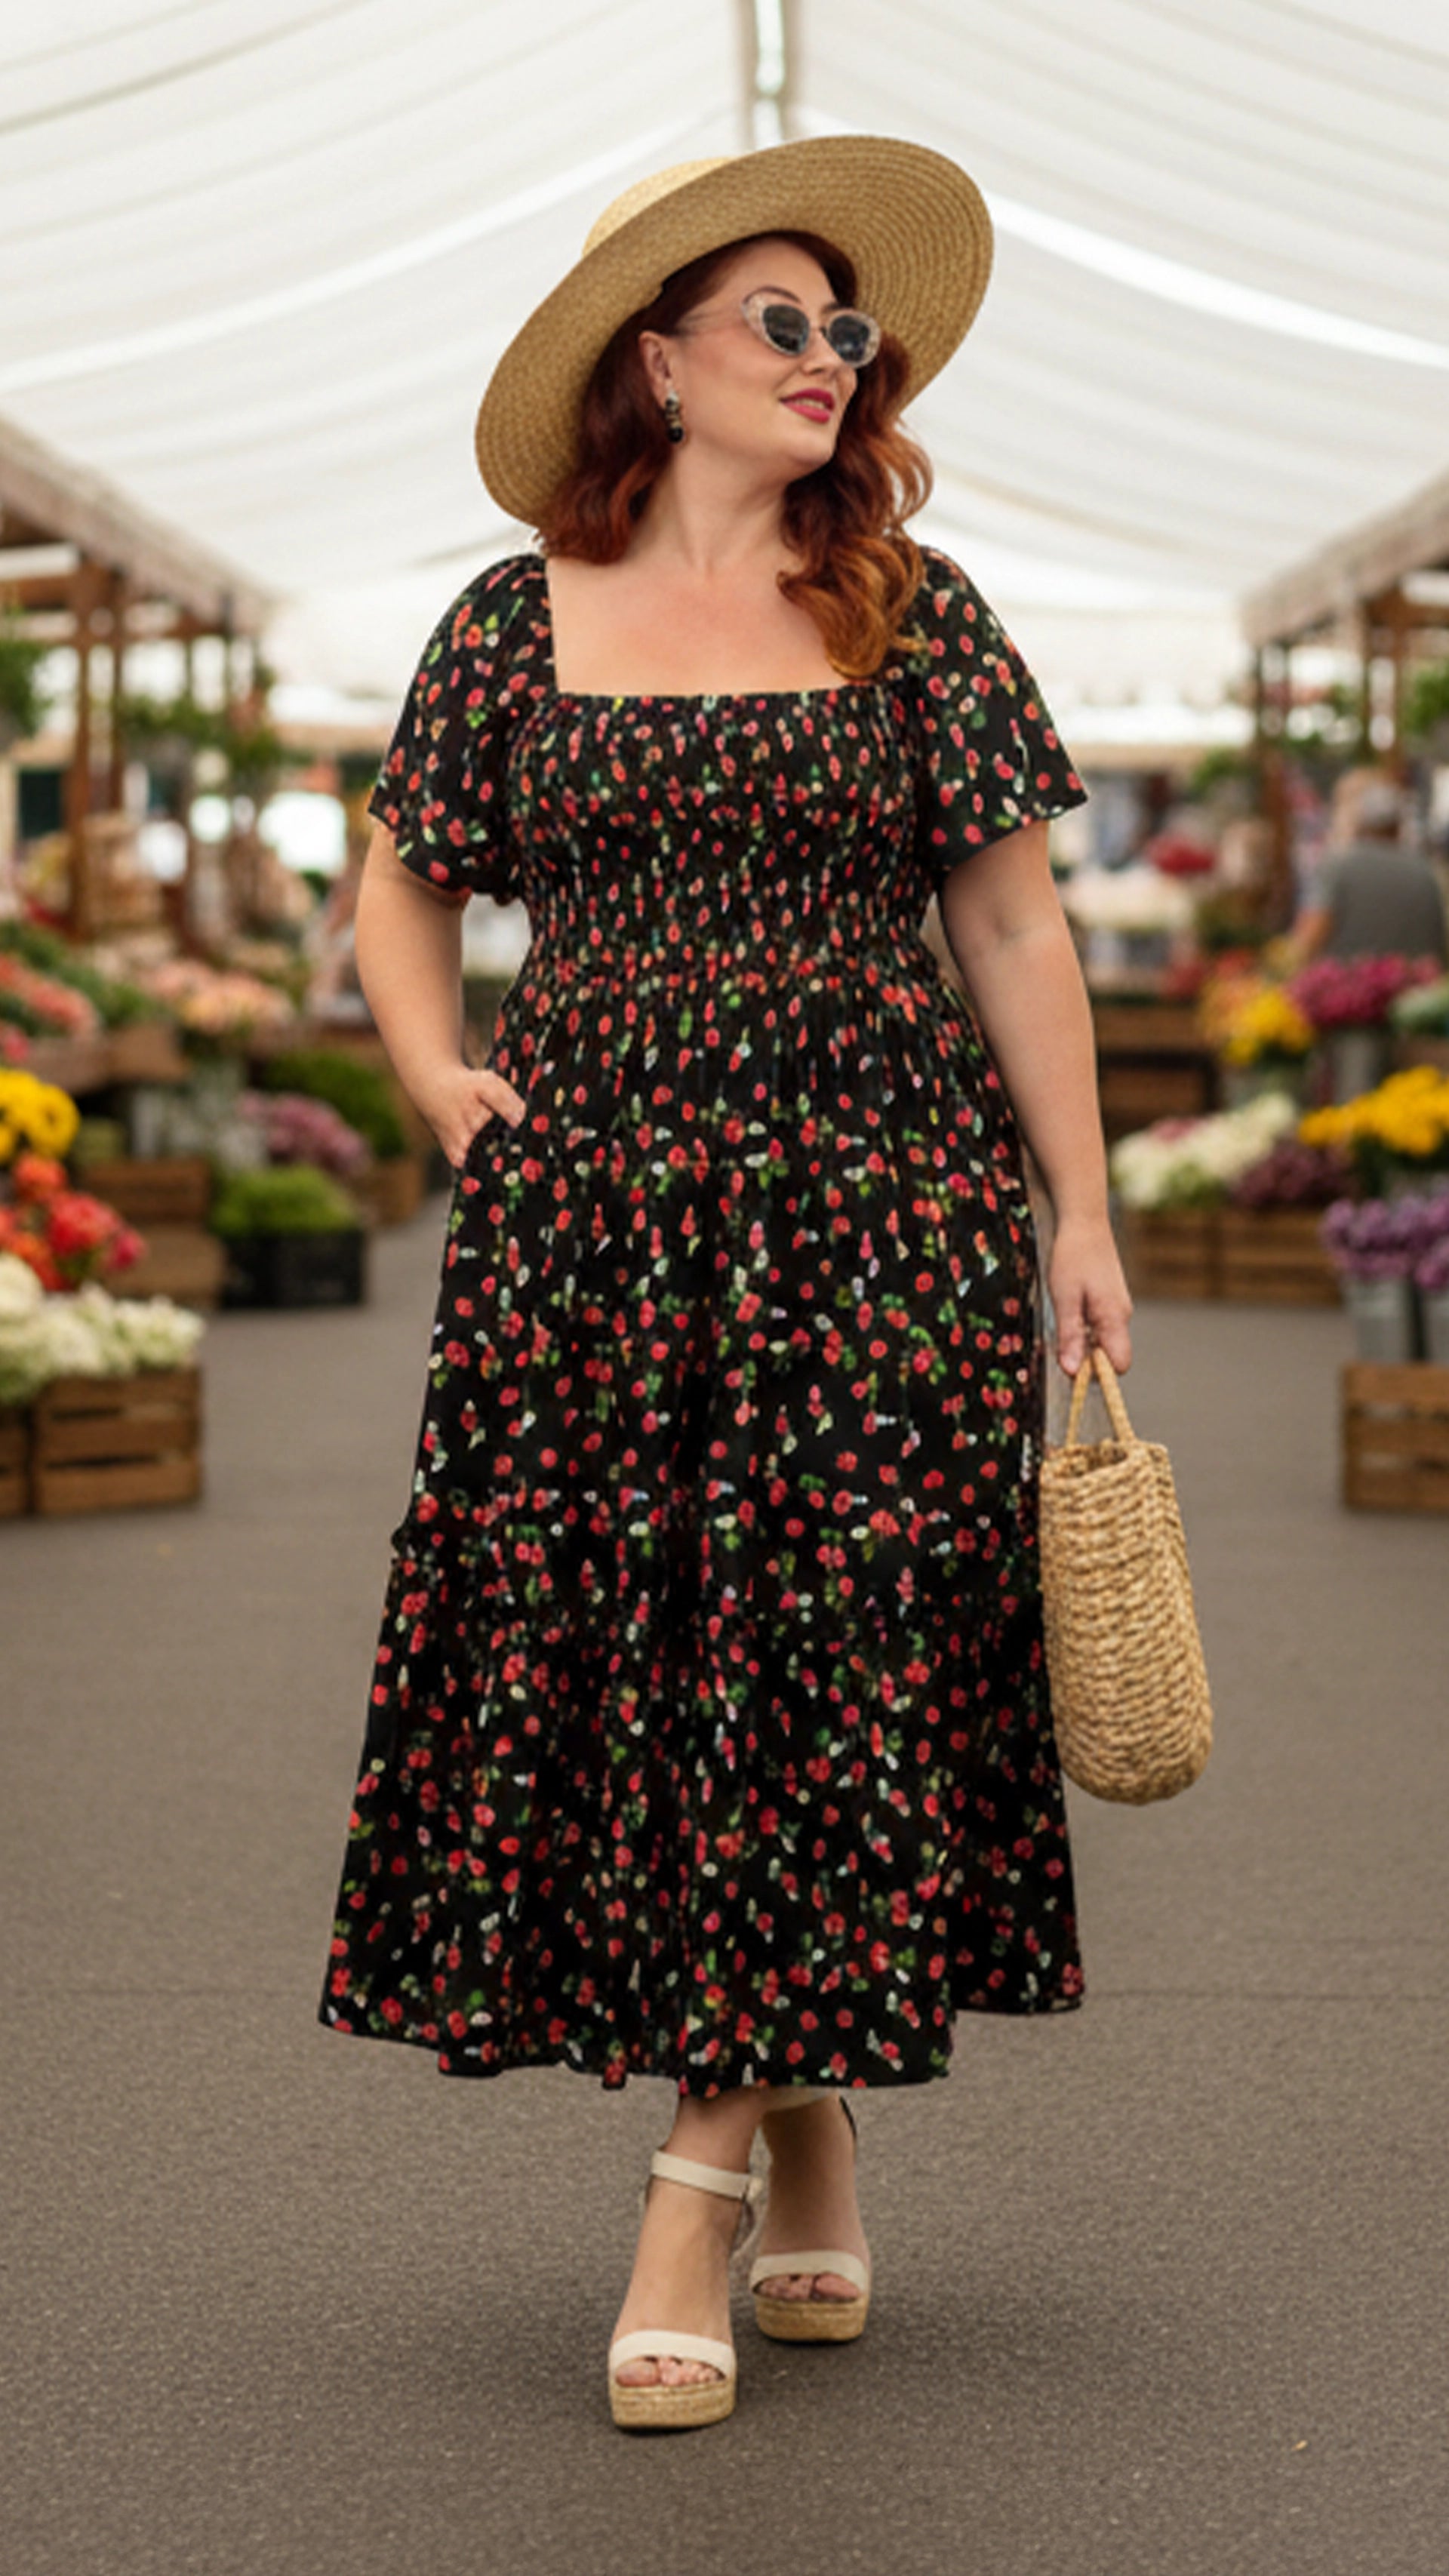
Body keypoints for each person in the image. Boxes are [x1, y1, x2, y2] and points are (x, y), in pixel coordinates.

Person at [318, 135, 1133, 2433]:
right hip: (589, 1231)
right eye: (776, 319)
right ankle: (805, 2115)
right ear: (650, 361)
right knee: (646, 1671)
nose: (824, 357)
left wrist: (1079, 1210)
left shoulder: (912, 602)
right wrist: (432, 1078)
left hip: (872, 1211)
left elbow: (1008, 923)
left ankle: (692, 2173)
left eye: (843, 329)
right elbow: (402, 895)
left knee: (810, 1660)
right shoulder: (506, 622)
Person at [1291, 774, 1448, 966]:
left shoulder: (1338, 866)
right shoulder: (1425, 871)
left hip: (1351, 989)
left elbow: (1309, 939)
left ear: (1360, 822)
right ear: (1398, 825)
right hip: (1419, 989)